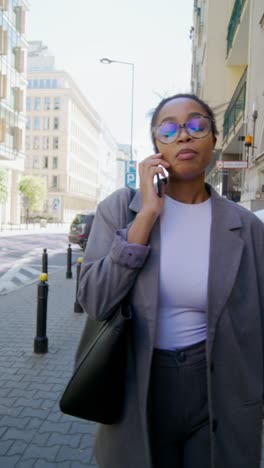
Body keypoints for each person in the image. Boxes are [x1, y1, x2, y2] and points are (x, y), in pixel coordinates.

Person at [78, 93, 264, 468]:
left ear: (213, 140)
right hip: (140, 384)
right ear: (156, 147)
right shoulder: (119, 208)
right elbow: (95, 300)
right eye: (169, 129)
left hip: (219, 387)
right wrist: (146, 215)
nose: (184, 136)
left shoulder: (246, 228)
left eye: (196, 125)